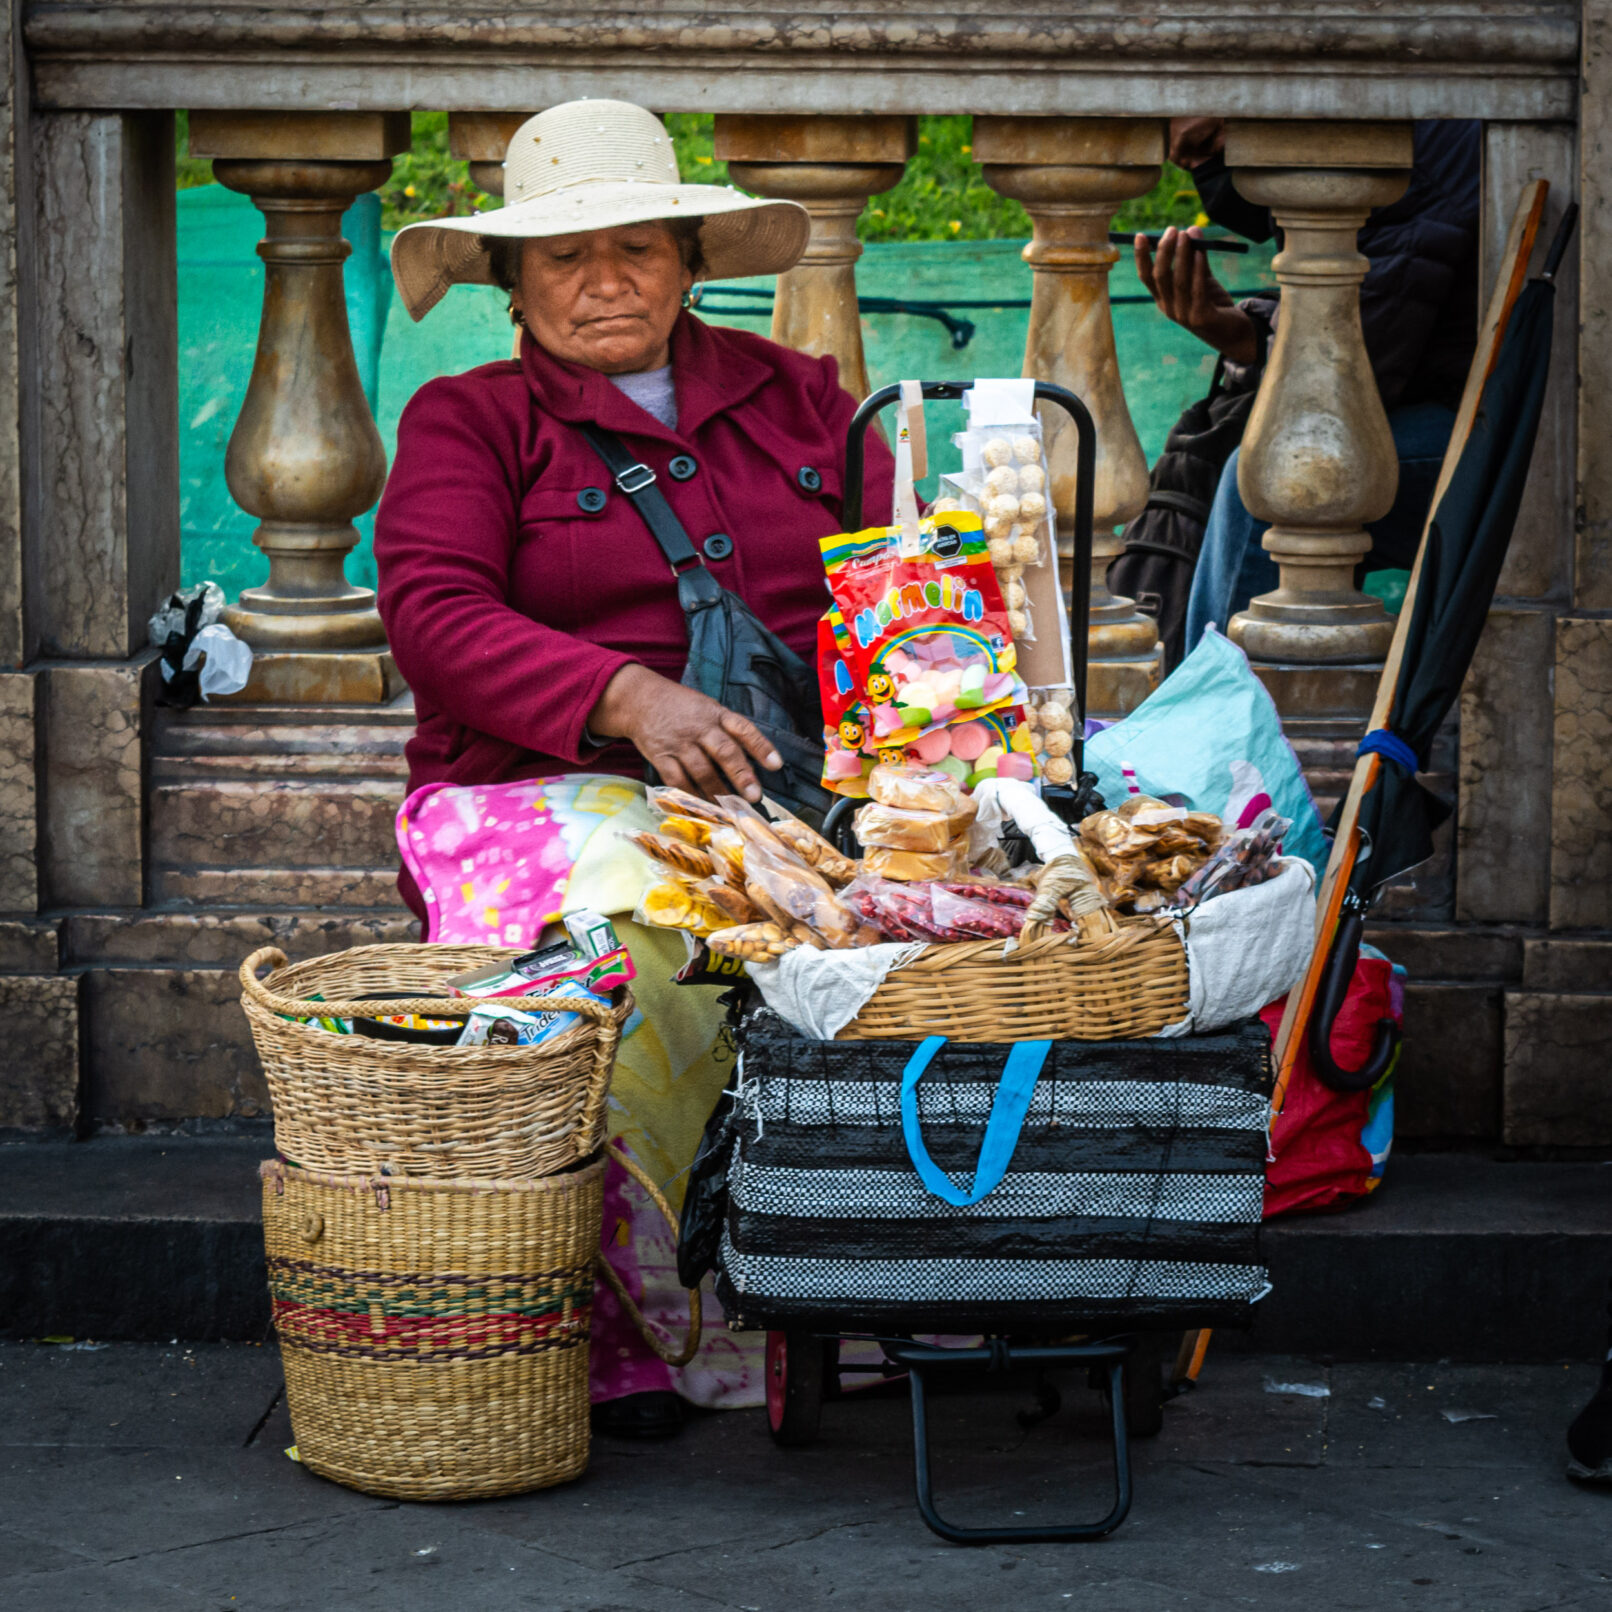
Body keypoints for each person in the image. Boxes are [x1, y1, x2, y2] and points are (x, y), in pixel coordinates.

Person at [376, 99, 895, 1438]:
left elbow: (905, 583)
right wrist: (622, 694)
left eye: (638, 249)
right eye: (566, 257)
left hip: (794, 783)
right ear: (512, 279)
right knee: (655, 935)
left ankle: (869, 1288)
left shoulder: (806, 399)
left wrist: (922, 736)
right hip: (533, 789)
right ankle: (651, 1330)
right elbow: (433, 616)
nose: (606, 280)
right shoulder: (467, 420)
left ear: (686, 260)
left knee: (932, 918)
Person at [1131, 118, 1481, 654]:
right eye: (1189, 165)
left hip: (1517, 442)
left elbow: (1342, 384)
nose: (1208, 176)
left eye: (1208, 146)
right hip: (1450, 403)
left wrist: (1243, 336)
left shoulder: (1399, 165)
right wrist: (1239, 335)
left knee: (1277, 477)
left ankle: (1219, 712)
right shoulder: (1356, 150)